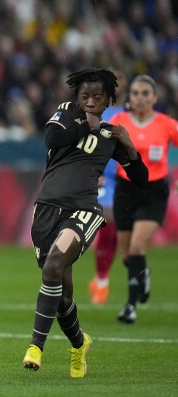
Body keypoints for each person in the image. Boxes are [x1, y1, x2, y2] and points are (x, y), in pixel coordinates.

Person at [22, 69, 148, 378]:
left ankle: (35, 347)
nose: (90, 102)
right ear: (77, 97)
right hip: (47, 210)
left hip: (84, 212)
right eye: (85, 96)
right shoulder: (66, 114)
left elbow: (141, 179)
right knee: (63, 297)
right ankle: (79, 345)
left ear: (108, 100)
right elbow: (51, 138)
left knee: (53, 265)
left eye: (97, 97)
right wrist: (83, 125)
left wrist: (130, 147)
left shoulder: (111, 134)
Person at [111, 75, 178, 324]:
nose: (139, 98)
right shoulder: (118, 122)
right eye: (136, 93)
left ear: (155, 98)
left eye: (145, 93)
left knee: (138, 247)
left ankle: (130, 305)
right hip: (125, 189)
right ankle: (144, 273)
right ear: (129, 97)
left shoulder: (167, 124)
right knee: (127, 256)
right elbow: (101, 149)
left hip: (153, 192)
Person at [88, 66, 129, 304]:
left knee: (118, 230)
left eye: (121, 77)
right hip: (104, 178)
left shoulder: (132, 112)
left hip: (126, 178)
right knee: (109, 221)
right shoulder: (97, 111)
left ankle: (101, 277)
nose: (117, 82)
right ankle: (102, 282)